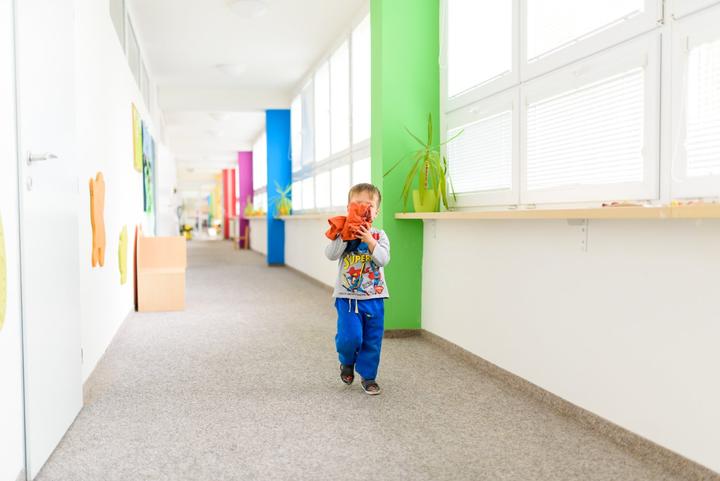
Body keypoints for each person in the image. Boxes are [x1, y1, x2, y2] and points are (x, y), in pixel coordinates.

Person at [325, 183, 390, 395]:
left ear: (376, 211)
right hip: (347, 297)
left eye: (368, 205)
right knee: (349, 337)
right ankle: (346, 360)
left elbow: (383, 259)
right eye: (357, 204)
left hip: (374, 297)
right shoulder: (343, 233)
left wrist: (370, 241)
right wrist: (344, 235)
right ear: (348, 208)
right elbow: (331, 254)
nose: (363, 208)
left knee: (372, 339)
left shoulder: (379, 235)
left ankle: (368, 377)